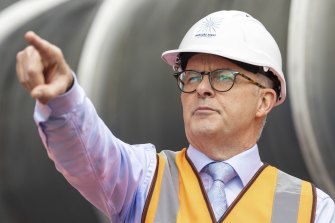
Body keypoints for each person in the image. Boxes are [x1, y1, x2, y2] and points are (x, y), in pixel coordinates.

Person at [16, 10, 334, 223]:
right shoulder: (142, 180)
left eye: (223, 77)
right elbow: (87, 150)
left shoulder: (312, 210)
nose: (202, 89)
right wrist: (63, 96)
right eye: (192, 77)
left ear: (264, 101)